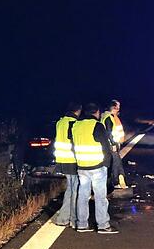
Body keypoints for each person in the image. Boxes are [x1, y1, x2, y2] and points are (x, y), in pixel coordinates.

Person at [70, 103, 118, 234]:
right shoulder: (97, 126)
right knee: (100, 197)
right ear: (96, 113)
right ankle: (103, 225)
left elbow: (73, 146)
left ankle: (82, 224)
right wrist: (107, 164)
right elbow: (105, 147)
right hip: (97, 166)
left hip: (82, 166)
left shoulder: (75, 126)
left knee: (82, 196)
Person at [51, 101, 82, 227]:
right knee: (74, 190)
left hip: (62, 160)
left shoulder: (60, 122)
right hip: (72, 160)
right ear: (78, 110)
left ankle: (65, 217)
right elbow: (74, 142)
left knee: (71, 189)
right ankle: (68, 219)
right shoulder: (73, 123)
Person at [101, 99, 128, 191]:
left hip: (114, 143)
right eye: (118, 107)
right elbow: (108, 132)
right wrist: (113, 143)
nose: (119, 109)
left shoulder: (111, 117)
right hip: (111, 144)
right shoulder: (108, 117)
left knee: (115, 162)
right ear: (114, 107)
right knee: (116, 162)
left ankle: (117, 181)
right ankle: (117, 181)